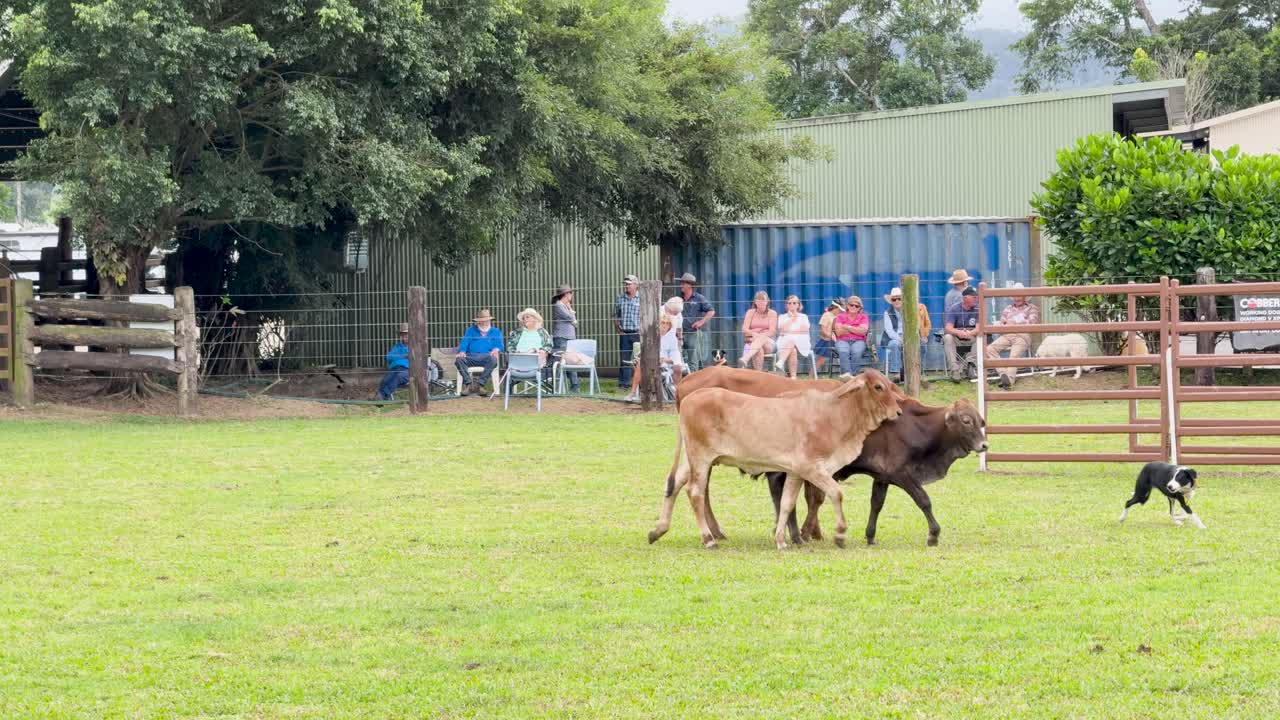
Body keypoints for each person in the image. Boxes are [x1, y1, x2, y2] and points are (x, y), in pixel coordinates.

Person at [625, 297, 684, 402]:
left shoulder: (677, 319)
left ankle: (678, 393)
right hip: (656, 349)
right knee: (640, 365)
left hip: (670, 351)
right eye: (674, 312)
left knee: (678, 367)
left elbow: (679, 331)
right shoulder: (658, 312)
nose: (676, 314)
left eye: (677, 313)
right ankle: (633, 393)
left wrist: (680, 339)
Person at [985, 283, 1039, 389]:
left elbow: (1032, 322)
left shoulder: (1032, 308)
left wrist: (1015, 322)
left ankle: (1008, 380)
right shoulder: (1008, 308)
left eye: (1018, 295)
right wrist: (1004, 324)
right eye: (1014, 295)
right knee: (989, 349)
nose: (1016, 298)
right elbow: (1001, 323)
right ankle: (1003, 374)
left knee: (1013, 356)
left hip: (1023, 335)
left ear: (1024, 296)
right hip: (1007, 334)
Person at [882, 287, 931, 383]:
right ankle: (895, 373)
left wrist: (910, 338)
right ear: (891, 301)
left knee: (922, 344)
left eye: (899, 298)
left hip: (911, 336)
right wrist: (901, 339)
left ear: (903, 299)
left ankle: (917, 372)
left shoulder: (912, 310)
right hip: (896, 337)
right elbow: (889, 331)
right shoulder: (887, 313)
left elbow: (918, 325)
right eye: (894, 299)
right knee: (894, 344)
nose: (897, 301)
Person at [456, 308, 504, 395]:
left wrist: (496, 349)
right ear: (478, 322)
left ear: (490, 321)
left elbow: (500, 345)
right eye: (482, 321)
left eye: (487, 321)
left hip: (486, 357)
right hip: (471, 356)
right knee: (459, 360)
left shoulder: (496, 331)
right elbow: (464, 342)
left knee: (493, 360)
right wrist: (462, 351)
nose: (485, 323)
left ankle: (480, 384)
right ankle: (469, 385)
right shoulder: (470, 330)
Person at [679, 272, 716, 372]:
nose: (681, 285)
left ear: (690, 285)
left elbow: (711, 311)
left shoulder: (699, 298)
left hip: (692, 332)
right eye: (681, 283)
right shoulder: (678, 298)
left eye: (683, 283)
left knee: (693, 359)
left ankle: (693, 380)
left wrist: (701, 322)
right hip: (679, 333)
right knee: (678, 359)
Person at [944, 287, 980, 382]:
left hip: (972, 337)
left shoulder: (978, 309)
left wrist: (970, 333)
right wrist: (958, 332)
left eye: (976, 297)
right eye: (974, 297)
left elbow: (979, 328)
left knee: (981, 337)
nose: (976, 299)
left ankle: (971, 365)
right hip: (957, 338)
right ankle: (955, 370)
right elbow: (948, 327)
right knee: (947, 337)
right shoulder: (954, 308)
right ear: (965, 298)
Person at [551, 283, 581, 391]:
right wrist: (571, 311)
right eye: (571, 293)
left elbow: (576, 323)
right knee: (560, 361)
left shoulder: (565, 306)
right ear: (566, 294)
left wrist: (571, 312)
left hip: (569, 338)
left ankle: (575, 386)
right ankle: (558, 386)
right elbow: (570, 318)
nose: (572, 295)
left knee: (571, 361)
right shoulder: (559, 306)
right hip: (562, 337)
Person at [775, 295, 812, 378]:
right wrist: (792, 318)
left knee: (791, 339)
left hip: (802, 342)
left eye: (794, 303)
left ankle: (781, 362)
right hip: (785, 343)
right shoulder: (782, 317)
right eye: (789, 303)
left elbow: (805, 330)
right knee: (793, 351)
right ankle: (793, 378)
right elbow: (783, 329)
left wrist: (789, 331)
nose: (792, 305)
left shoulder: (803, 316)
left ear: (798, 305)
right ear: (786, 305)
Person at [614, 275, 640, 389]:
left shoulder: (642, 298)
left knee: (638, 359)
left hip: (638, 333)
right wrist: (618, 330)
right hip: (624, 333)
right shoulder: (620, 298)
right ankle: (624, 383)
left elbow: (646, 315)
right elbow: (616, 315)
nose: (626, 286)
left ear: (636, 285)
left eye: (629, 284)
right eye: (626, 284)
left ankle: (638, 382)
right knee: (624, 358)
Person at [739, 291, 778, 370]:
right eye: (758, 300)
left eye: (763, 300)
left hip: (769, 344)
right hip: (753, 341)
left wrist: (758, 336)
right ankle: (759, 374)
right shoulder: (750, 312)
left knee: (762, 337)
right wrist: (755, 335)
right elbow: (744, 329)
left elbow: (772, 331)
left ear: (767, 301)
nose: (761, 302)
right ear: (755, 302)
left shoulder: (772, 313)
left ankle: (746, 357)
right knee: (758, 349)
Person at [834, 295, 869, 375]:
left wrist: (847, 327)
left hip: (859, 341)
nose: (853, 307)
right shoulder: (840, 316)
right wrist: (856, 329)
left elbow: (863, 331)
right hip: (842, 340)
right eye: (851, 305)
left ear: (860, 308)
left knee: (856, 351)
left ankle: (853, 375)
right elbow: (838, 332)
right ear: (847, 306)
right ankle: (847, 375)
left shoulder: (863, 317)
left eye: (856, 306)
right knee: (843, 351)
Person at [376, 323, 411, 400]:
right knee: (386, 378)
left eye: (408, 335)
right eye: (404, 335)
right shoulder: (397, 346)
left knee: (398, 377)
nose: (406, 337)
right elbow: (389, 357)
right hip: (396, 368)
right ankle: (379, 396)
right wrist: (403, 356)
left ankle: (382, 396)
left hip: (410, 371)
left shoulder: (416, 346)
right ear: (401, 336)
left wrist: (398, 357)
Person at [814, 298, 844, 373]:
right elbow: (823, 330)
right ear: (835, 308)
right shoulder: (826, 315)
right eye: (839, 310)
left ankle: (843, 372)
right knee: (821, 359)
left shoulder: (837, 317)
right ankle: (811, 373)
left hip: (834, 340)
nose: (840, 312)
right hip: (827, 341)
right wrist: (831, 337)